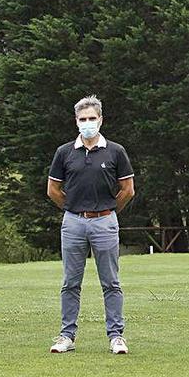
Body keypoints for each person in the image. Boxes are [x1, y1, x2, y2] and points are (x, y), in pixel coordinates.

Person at [47, 95, 135, 355]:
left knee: (111, 282)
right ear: (76, 121)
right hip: (73, 222)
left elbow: (127, 190)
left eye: (92, 118)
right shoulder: (64, 152)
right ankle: (66, 335)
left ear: (101, 120)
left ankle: (116, 336)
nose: (87, 123)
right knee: (70, 283)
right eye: (83, 119)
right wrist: (72, 208)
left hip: (105, 221)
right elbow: (53, 189)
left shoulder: (115, 151)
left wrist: (108, 212)